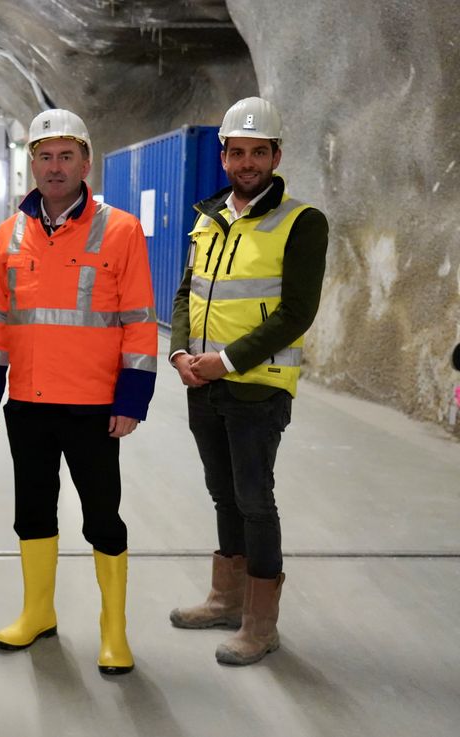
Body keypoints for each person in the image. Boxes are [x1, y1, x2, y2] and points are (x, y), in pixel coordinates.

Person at [0, 109, 158, 675]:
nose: (54, 167)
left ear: (85, 162)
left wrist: (131, 400)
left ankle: (113, 631)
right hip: (28, 402)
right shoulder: (10, 234)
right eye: (44, 156)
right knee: (32, 511)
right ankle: (38, 613)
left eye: (65, 156)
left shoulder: (120, 229)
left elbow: (139, 322)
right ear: (32, 163)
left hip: (94, 405)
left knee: (103, 516)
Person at [168, 96, 329, 665]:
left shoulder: (302, 222)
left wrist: (226, 361)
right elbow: (188, 292)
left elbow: (296, 313)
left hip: (258, 386)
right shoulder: (210, 217)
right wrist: (182, 351)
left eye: (259, 152)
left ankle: (261, 625)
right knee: (222, 493)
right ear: (224, 155)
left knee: (254, 499)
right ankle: (226, 598)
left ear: (276, 154)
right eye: (237, 152)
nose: (247, 162)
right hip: (203, 381)